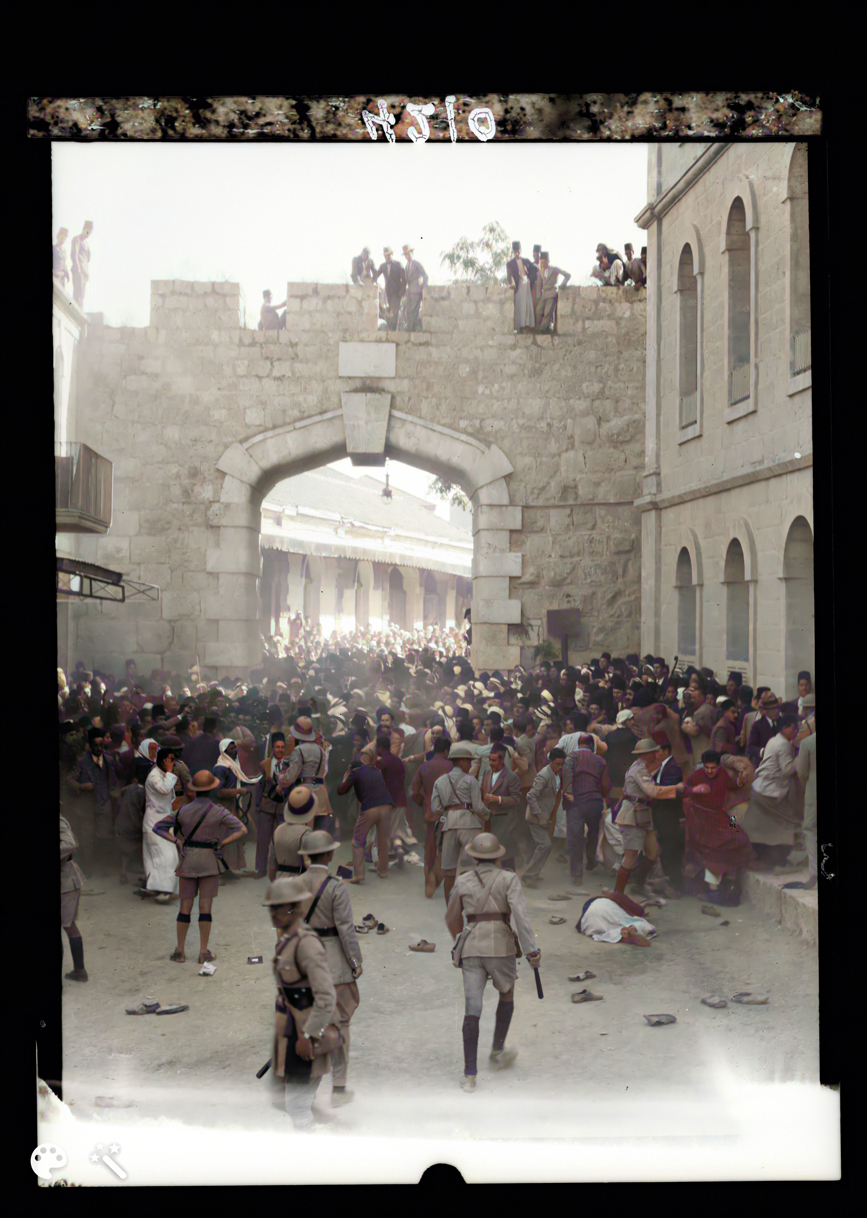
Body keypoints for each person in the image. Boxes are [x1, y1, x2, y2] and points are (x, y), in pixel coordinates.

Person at [445, 831, 541, 1092]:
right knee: (507, 993)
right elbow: (521, 918)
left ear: (473, 856)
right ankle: (497, 1051)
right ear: (498, 856)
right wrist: (532, 950)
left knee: (472, 1008)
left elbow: (452, 918)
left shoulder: (463, 880)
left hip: (472, 947)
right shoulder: (509, 879)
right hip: (501, 946)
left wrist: (462, 940)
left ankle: (469, 1075)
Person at [264, 876, 339, 1130]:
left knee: (297, 1106)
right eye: (272, 907)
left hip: (305, 1034)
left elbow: (326, 996)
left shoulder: (306, 944)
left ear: (296, 909)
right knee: (286, 1100)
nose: (274, 913)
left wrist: (308, 1035)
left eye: (281, 907)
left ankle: (311, 1157)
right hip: (291, 1034)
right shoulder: (287, 941)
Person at [153, 770, 247, 964]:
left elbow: (158, 827)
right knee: (205, 907)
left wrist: (177, 842)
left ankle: (180, 951)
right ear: (212, 789)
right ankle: (203, 952)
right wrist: (223, 842)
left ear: (195, 790)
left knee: (185, 905)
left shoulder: (183, 810)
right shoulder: (219, 811)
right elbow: (241, 829)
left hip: (187, 861)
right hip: (209, 861)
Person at [297, 831, 363, 1106]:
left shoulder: (294, 884)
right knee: (341, 1023)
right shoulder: (336, 887)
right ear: (329, 854)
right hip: (333, 963)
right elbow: (346, 929)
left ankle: (305, 1091)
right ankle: (338, 1087)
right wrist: (356, 962)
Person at [683, 750, 756, 903]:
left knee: (737, 837)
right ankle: (713, 890)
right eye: (707, 767)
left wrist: (740, 782)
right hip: (700, 819)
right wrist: (694, 790)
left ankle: (729, 881)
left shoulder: (723, 774)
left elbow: (732, 785)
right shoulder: (697, 776)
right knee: (713, 850)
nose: (709, 771)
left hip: (719, 816)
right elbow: (683, 789)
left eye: (713, 768)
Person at [613, 738, 682, 896]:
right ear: (646, 754)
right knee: (631, 856)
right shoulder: (640, 769)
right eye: (654, 752)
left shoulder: (643, 768)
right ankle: (619, 893)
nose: (656, 755)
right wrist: (677, 789)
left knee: (653, 851)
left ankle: (638, 884)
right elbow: (652, 792)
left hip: (644, 814)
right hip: (635, 815)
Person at [740, 715, 803, 870]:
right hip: (770, 793)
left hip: (761, 790)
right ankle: (779, 862)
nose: (795, 731)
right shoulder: (782, 744)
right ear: (785, 727)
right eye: (794, 728)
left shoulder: (774, 740)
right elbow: (788, 770)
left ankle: (769, 859)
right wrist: (802, 755)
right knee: (791, 825)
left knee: (762, 829)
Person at [431, 742, 488, 903]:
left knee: (449, 871)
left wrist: (449, 812)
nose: (470, 765)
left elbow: (435, 808)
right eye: (469, 762)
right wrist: (488, 815)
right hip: (468, 824)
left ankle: (450, 906)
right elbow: (478, 807)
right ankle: (476, 902)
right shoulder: (471, 780)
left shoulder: (440, 781)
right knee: (477, 865)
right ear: (462, 761)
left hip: (448, 825)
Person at [336, 746, 393, 883]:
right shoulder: (378, 771)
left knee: (357, 841)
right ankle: (383, 871)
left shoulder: (356, 772)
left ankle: (359, 875)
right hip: (387, 806)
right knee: (383, 841)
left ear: (361, 757)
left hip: (370, 809)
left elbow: (341, 791)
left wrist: (345, 778)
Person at [561, 736, 611, 884]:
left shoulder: (571, 758)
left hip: (576, 803)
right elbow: (606, 785)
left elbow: (566, 777)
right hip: (594, 802)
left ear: (578, 744)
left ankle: (577, 873)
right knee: (594, 833)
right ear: (592, 745)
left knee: (575, 837)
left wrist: (568, 795)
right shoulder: (600, 761)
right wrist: (600, 796)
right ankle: (590, 860)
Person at [411, 734, 453, 898]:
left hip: (429, 812)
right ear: (446, 750)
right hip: (447, 812)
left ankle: (428, 876)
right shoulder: (451, 767)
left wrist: (423, 801)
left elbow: (415, 792)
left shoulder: (424, 767)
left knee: (430, 847)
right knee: (446, 848)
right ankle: (438, 878)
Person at [142, 747, 181, 903]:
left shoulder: (163, 775)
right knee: (166, 857)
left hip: (163, 821)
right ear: (163, 760)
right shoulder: (154, 776)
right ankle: (163, 891)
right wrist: (171, 771)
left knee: (158, 857)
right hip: (154, 822)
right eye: (170, 759)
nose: (173, 763)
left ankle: (156, 889)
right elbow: (165, 790)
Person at [523, 747, 566, 887]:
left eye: (562, 764)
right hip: (536, 817)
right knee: (545, 845)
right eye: (557, 764)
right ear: (551, 762)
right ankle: (529, 876)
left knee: (543, 846)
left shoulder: (554, 773)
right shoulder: (544, 775)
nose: (560, 767)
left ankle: (532, 873)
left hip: (544, 815)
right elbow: (531, 796)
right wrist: (540, 816)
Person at [649, 736, 684, 898]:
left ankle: (676, 885)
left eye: (658, 751)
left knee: (670, 850)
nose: (656, 755)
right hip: (664, 813)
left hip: (669, 814)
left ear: (666, 751)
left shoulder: (673, 768)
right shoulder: (664, 766)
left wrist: (651, 787)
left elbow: (667, 791)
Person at [480, 743, 522, 861]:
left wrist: (498, 799)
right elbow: (482, 792)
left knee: (506, 857)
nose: (491, 763)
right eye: (489, 760)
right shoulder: (487, 773)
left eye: (494, 760)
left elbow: (516, 799)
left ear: (502, 759)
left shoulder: (512, 777)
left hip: (505, 824)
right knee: (489, 856)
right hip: (489, 822)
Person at [256, 731, 289, 879]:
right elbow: (260, 785)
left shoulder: (290, 764)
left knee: (280, 838)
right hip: (267, 804)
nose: (280, 750)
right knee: (263, 838)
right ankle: (261, 868)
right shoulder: (265, 764)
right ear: (272, 748)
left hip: (282, 805)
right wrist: (257, 804)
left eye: (282, 747)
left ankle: (280, 867)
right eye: (277, 747)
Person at [268, 786, 318, 881]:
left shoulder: (278, 830)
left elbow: (271, 862)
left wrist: (273, 880)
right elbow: (308, 862)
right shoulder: (305, 833)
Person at [60, 813, 88, 981]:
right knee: (68, 925)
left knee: (68, 925)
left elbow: (70, 844)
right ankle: (79, 971)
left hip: (66, 881)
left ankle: (80, 971)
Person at [576, 891, 657, 946]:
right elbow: (638, 910)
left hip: (588, 920)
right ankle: (632, 928)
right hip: (607, 912)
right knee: (642, 923)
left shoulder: (599, 900)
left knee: (604, 931)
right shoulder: (618, 896)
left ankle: (622, 935)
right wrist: (647, 903)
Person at [795, 711, 817, 889]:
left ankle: (815, 872)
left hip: (813, 792)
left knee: (810, 829)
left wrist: (808, 786)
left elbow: (801, 772)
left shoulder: (807, 743)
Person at [115, 770, 146, 887]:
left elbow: (117, 794)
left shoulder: (130, 788)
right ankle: (146, 874)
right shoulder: (143, 792)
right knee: (142, 847)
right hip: (134, 826)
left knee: (126, 850)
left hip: (121, 823)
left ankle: (123, 871)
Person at [505, 241, 537, 332]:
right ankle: (519, 327)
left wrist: (530, 278)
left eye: (518, 251)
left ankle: (526, 326)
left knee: (526, 306)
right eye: (515, 252)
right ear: (513, 252)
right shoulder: (510, 263)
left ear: (520, 251)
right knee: (519, 306)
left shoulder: (526, 261)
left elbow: (535, 270)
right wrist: (512, 283)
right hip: (517, 286)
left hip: (526, 285)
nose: (517, 253)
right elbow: (509, 276)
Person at [534, 252, 570, 332]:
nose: (542, 264)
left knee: (547, 312)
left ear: (548, 261)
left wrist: (563, 284)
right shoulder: (540, 272)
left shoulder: (554, 269)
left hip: (552, 293)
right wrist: (538, 296)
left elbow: (567, 275)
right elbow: (539, 285)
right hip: (544, 294)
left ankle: (543, 329)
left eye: (544, 262)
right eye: (541, 262)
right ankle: (540, 327)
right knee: (538, 311)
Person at [374, 247, 406, 332]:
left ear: (392, 254)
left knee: (395, 311)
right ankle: (390, 328)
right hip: (387, 293)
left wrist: (402, 291)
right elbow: (376, 276)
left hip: (396, 292)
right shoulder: (383, 266)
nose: (387, 257)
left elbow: (404, 279)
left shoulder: (398, 264)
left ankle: (393, 329)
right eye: (386, 255)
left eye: (389, 255)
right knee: (388, 311)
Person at [746, 692, 781, 766]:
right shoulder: (757, 726)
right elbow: (750, 748)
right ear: (765, 711)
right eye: (772, 709)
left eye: (777, 708)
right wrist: (763, 751)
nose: (776, 711)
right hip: (765, 763)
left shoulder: (783, 722)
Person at [402, 245, 428, 331]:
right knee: (408, 310)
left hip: (417, 290)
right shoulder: (406, 266)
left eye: (408, 254)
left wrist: (423, 287)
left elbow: (425, 275)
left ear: (412, 253)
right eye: (405, 255)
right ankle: (411, 328)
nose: (407, 256)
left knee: (414, 310)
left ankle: (412, 329)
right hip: (409, 291)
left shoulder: (416, 264)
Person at [70, 221, 93, 308]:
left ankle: (80, 313)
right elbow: (74, 254)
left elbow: (87, 260)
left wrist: (86, 273)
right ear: (83, 229)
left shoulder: (86, 243)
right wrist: (78, 268)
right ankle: (75, 313)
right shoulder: (77, 239)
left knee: (82, 295)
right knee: (77, 293)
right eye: (87, 231)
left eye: (90, 232)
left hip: (84, 272)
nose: (88, 234)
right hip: (78, 270)